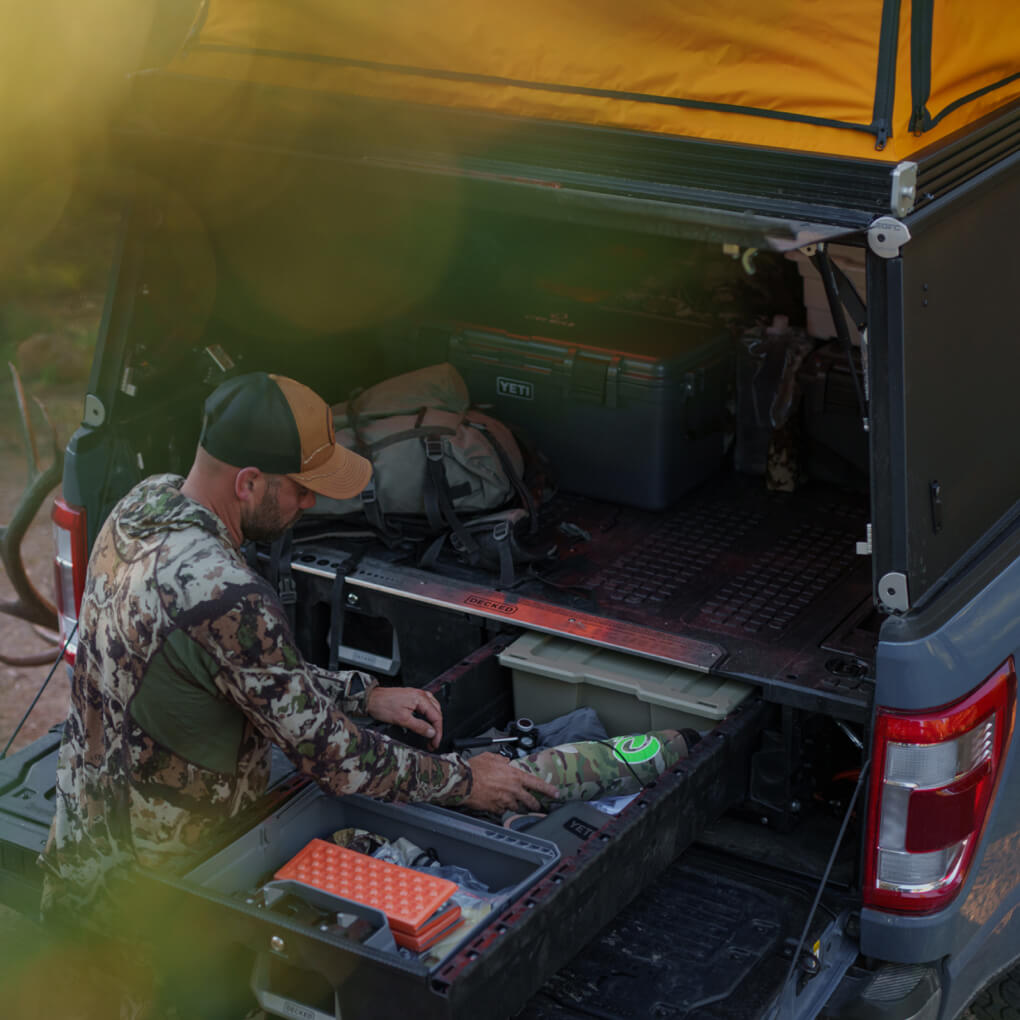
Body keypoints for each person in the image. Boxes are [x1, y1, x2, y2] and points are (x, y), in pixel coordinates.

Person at [40, 370, 555, 933]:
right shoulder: (227, 595)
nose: (311, 502)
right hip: (158, 899)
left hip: (82, 849)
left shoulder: (143, 505)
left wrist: (366, 696)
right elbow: (337, 761)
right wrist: (467, 781)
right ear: (249, 483)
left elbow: (240, 668)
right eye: (301, 487)